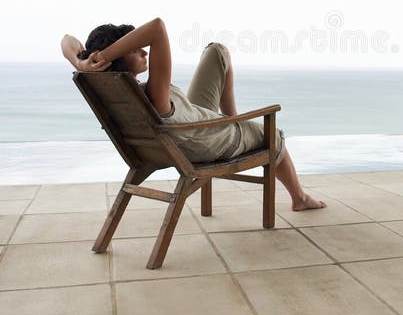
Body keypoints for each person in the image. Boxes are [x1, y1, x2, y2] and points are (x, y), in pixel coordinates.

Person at [61, 17, 326, 211]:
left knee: (217, 51)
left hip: (193, 123)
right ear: (115, 59)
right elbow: (157, 28)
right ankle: (299, 199)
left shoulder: (116, 89)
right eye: (133, 49)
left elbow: (67, 40)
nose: (143, 51)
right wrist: (106, 54)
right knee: (274, 136)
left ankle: (232, 119)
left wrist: (82, 62)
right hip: (204, 139)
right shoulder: (155, 94)